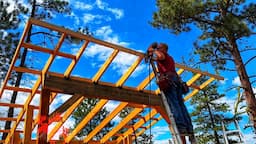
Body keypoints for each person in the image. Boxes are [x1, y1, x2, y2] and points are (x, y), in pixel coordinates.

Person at [147, 42, 196, 144]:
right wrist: (150, 55)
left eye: (159, 48)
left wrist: (153, 50)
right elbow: (157, 58)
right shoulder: (169, 58)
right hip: (175, 80)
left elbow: (160, 56)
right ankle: (189, 128)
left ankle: (181, 128)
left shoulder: (163, 55)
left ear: (164, 49)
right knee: (181, 106)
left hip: (170, 80)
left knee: (174, 105)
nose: (158, 50)